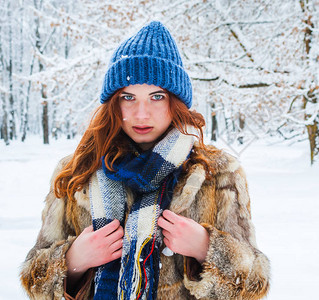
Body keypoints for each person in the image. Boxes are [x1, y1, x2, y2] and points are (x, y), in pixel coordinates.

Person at [19, 21, 270, 300]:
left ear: (175, 101)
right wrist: (73, 260)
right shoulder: (77, 171)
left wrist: (205, 248)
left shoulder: (218, 173)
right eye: (128, 97)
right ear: (114, 103)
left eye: (156, 97)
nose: (141, 114)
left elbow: (253, 284)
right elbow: (35, 281)